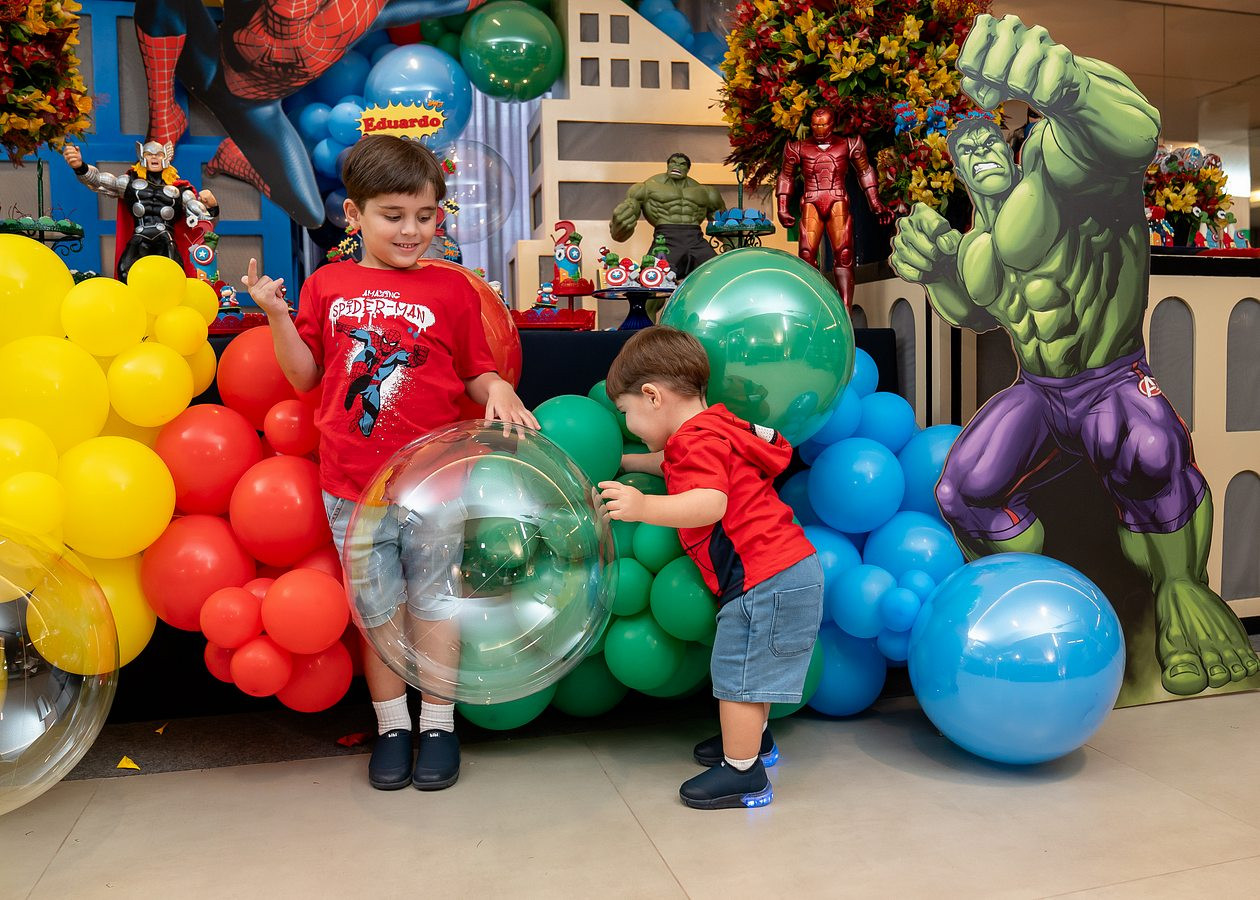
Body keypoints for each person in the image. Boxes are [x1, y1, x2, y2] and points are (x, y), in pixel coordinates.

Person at [889, 13, 1259, 696]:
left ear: (1010, 148)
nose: (983, 154)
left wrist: (1069, 86)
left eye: (990, 142)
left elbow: (1132, 139)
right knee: (962, 487)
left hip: (1111, 377)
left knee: (1151, 450)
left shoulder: (1065, 182)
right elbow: (977, 312)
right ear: (961, 171)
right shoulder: (981, 244)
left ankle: (1181, 591)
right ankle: (1028, 593)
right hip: (1042, 391)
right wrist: (936, 271)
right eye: (969, 152)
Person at [243, 134, 538, 791]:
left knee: (435, 604)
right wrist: (277, 317)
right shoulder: (327, 285)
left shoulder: (453, 290)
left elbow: (478, 370)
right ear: (354, 215)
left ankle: (438, 725)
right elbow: (305, 377)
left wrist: (500, 388)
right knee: (377, 613)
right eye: (393, 215)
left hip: (437, 485)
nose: (411, 231)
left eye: (425, 216)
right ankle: (392, 727)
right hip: (352, 487)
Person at [600, 327, 823, 809]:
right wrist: (627, 461)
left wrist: (643, 507)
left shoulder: (693, 442)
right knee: (755, 670)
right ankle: (754, 743)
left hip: (762, 575)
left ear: (652, 396)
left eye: (626, 412)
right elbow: (672, 462)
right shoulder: (718, 426)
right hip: (789, 567)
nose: (630, 424)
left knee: (738, 673)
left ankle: (744, 774)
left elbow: (708, 502)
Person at [776, 107, 893, 311]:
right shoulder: (797, 148)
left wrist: (875, 202)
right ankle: (811, 308)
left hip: (837, 199)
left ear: (832, 124)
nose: (819, 129)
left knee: (844, 255)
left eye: (823, 125)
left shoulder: (847, 145)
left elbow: (865, 171)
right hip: (812, 200)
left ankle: (845, 310)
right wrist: (782, 207)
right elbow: (786, 176)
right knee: (806, 255)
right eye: (815, 125)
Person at [63, 140, 217, 282]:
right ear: (142, 156)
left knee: (173, 277)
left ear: (167, 156)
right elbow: (98, 181)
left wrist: (212, 205)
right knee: (125, 274)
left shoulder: (180, 191)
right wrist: (80, 166)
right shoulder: (129, 184)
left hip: (165, 238)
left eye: (159, 154)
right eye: (149, 154)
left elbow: (204, 220)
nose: (154, 157)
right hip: (140, 236)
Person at [609, 153, 723, 320]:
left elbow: (722, 226)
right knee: (650, 294)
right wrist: (619, 225)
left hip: (696, 239)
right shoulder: (646, 188)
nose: (677, 166)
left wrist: (735, 247)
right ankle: (646, 334)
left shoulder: (705, 192)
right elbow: (621, 230)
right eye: (673, 162)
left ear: (688, 168)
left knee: (719, 279)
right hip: (666, 239)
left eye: (682, 164)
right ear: (668, 165)